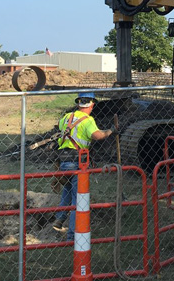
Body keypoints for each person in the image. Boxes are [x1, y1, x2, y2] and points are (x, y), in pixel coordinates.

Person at [52, 92, 113, 240]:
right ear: (92, 104)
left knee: (67, 191)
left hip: (63, 162)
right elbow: (97, 136)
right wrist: (111, 131)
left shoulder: (67, 117)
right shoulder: (88, 120)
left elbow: (60, 131)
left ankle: (59, 218)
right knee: (77, 200)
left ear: (79, 103)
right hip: (77, 162)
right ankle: (72, 236)